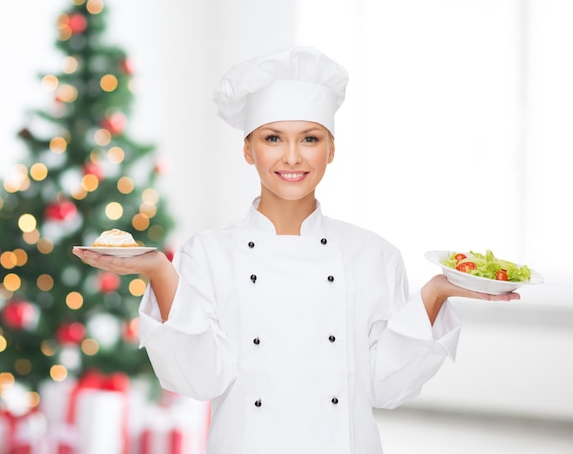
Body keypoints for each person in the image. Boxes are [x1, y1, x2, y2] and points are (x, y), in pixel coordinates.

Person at [72, 46, 519, 454]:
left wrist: (435, 293)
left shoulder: (374, 254)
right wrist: (160, 273)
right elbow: (200, 378)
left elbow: (386, 387)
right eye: (272, 138)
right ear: (248, 150)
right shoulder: (207, 253)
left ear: (332, 150)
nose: (292, 157)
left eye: (310, 138)